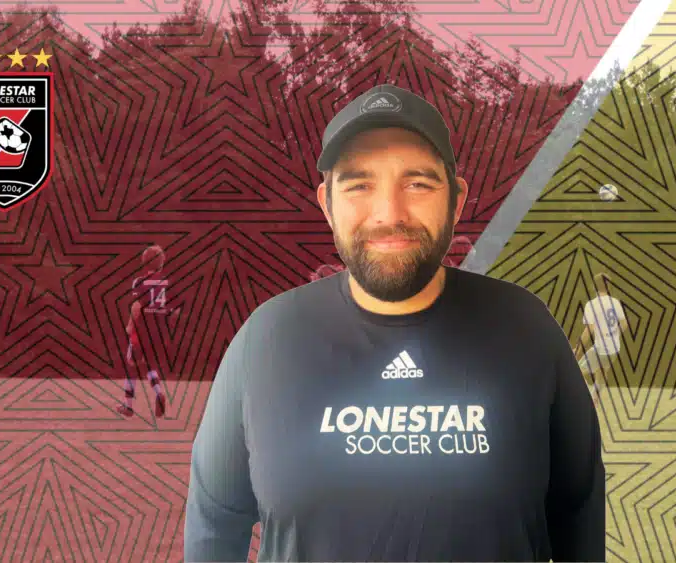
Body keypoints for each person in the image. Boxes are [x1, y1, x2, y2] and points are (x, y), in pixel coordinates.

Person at [184, 84, 605, 562]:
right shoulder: (266, 339)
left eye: (418, 184)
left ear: (457, 199)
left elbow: (578, 509)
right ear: (326, 203)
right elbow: (214, 523)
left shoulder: (527, 329)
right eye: (359, 185)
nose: (390, 214)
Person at [119, 244, 171, 418]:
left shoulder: (139, 282)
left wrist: (130, 326)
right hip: (158, 331)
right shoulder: (165, 283)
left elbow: (136, 307)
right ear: (161, 263)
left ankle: (128, 406)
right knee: (150, 365)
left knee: (131, 364)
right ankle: (158, 392)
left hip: (142, 329)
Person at [574, 273, 627, 399]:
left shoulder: (592, 305)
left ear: (594, 286)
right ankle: (595, 399)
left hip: (601, 347)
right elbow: (624, 324)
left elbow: (589, 330)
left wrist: (578, 350)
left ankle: (587, 398)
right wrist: (613, 335)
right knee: (602, 370)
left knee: (575, 372)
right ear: (608, 286)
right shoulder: (616, 303)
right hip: (615, 348)